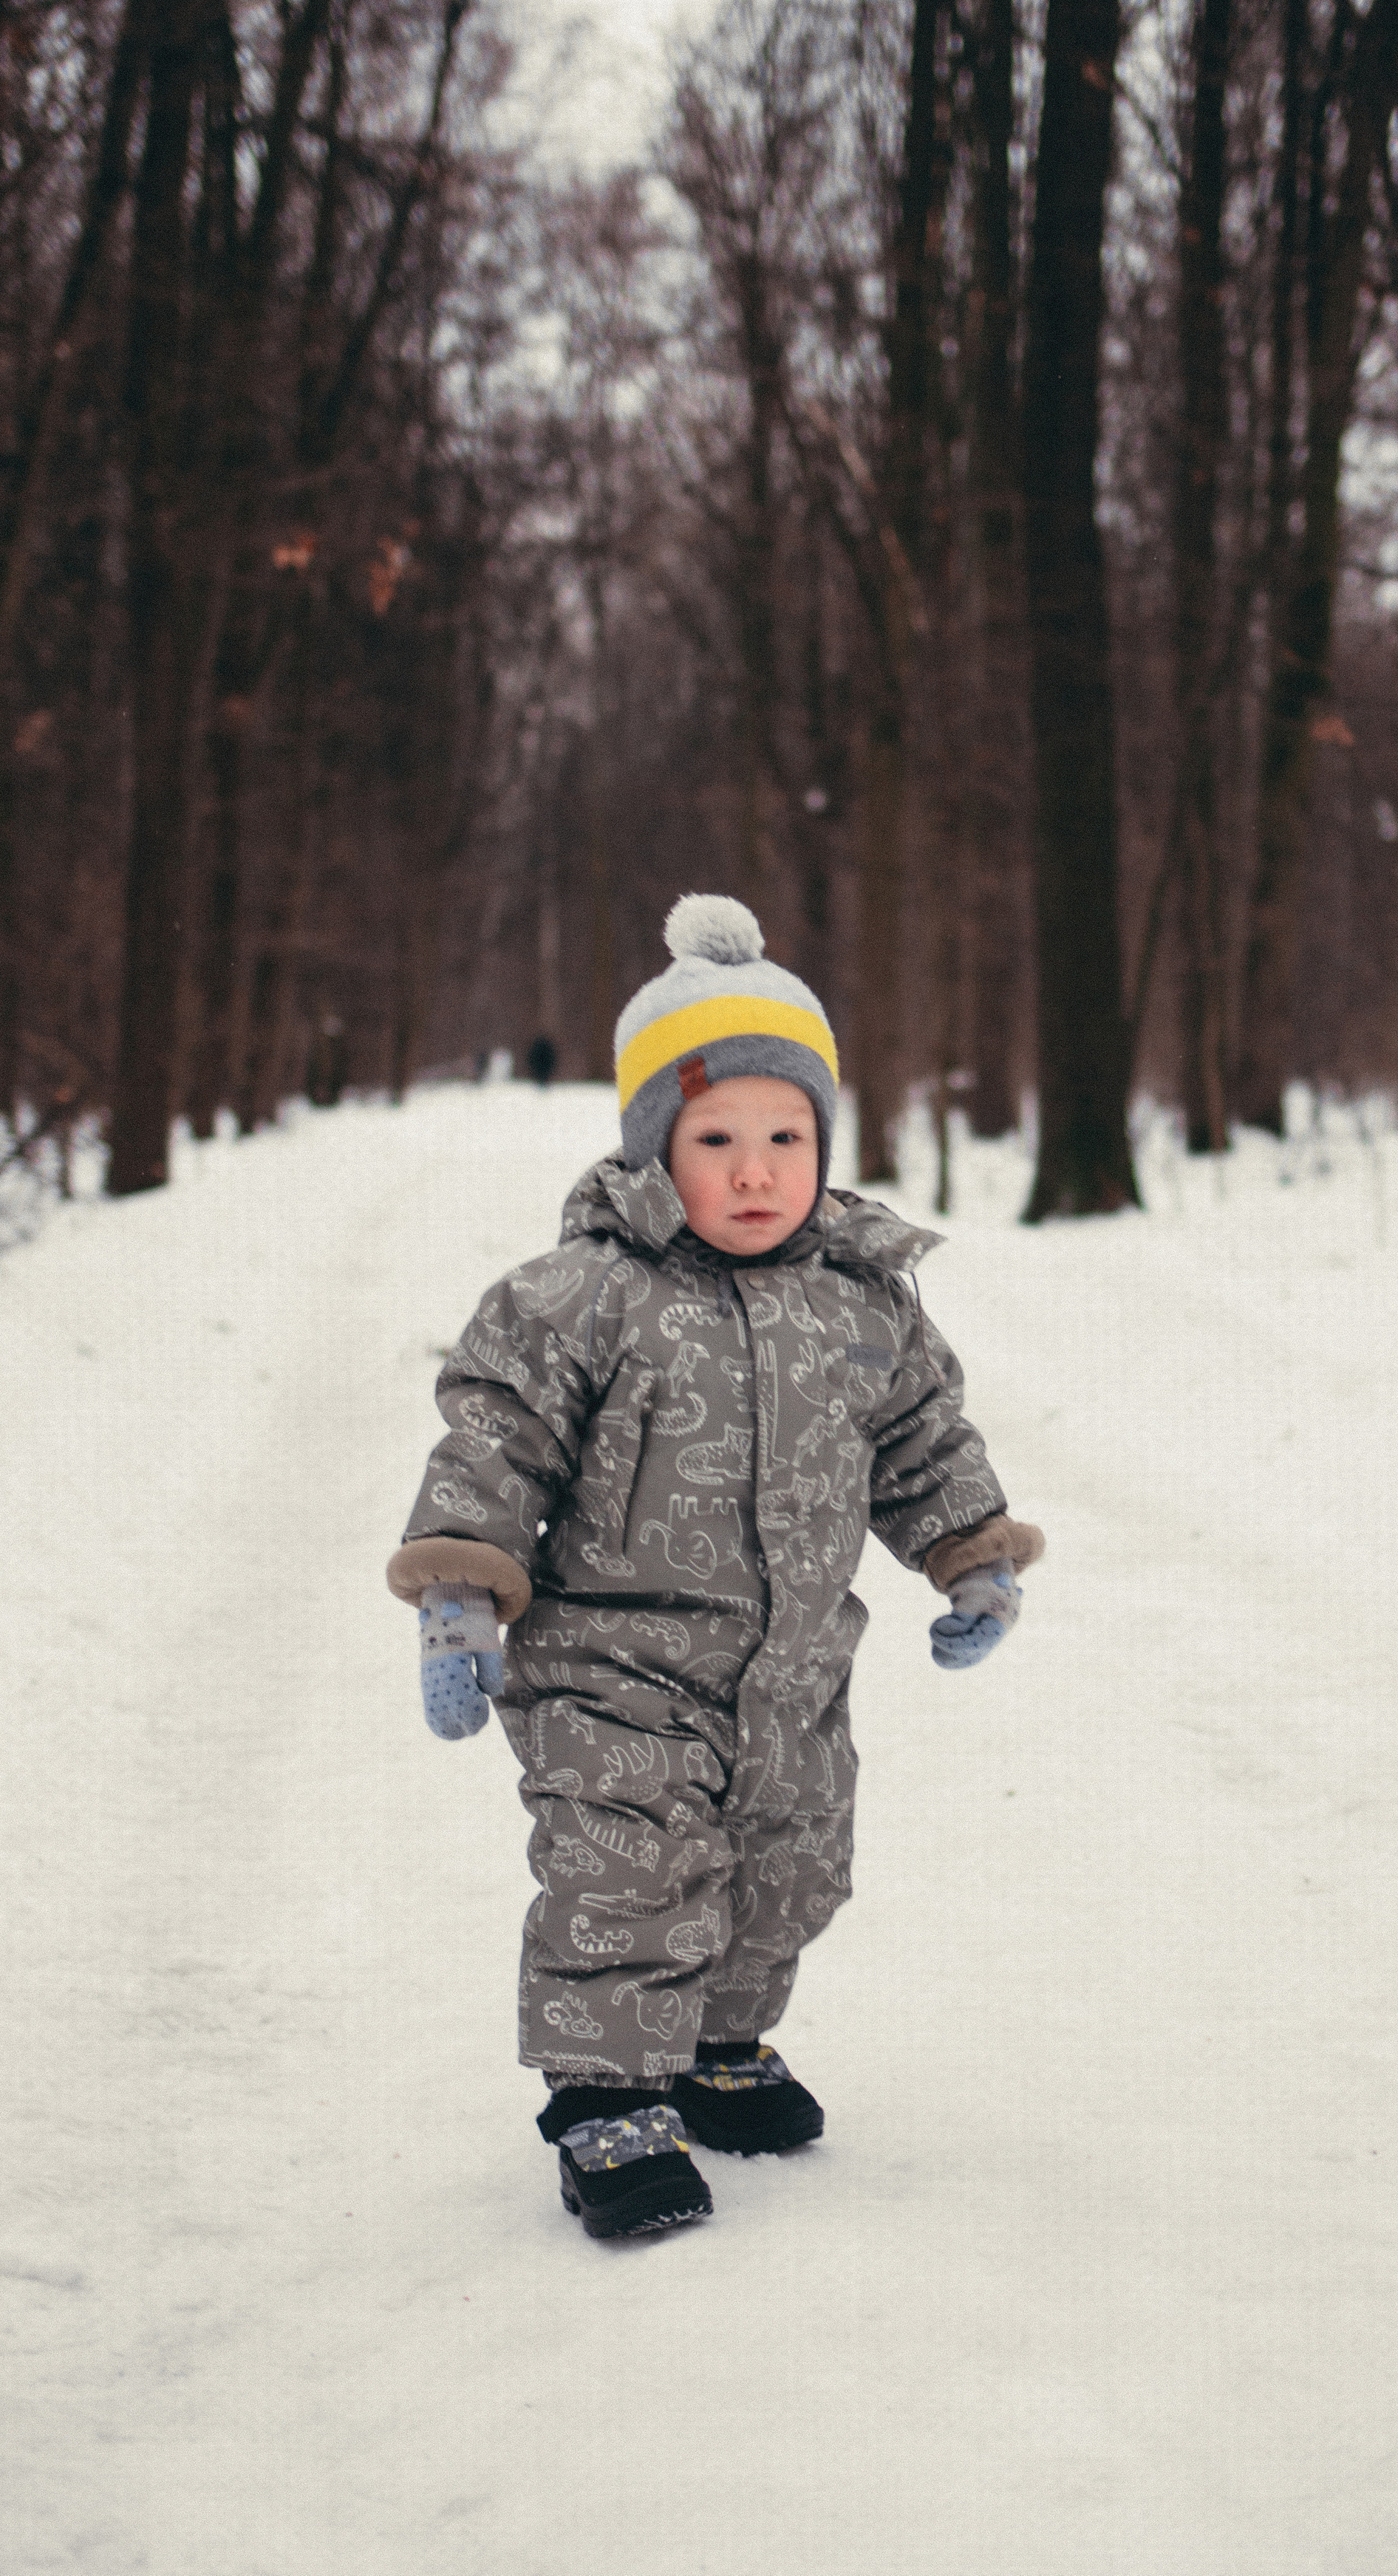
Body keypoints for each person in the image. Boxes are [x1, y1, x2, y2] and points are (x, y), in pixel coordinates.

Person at [388, 895, 1043, 2241]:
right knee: (627, 1874)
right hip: (612, 1665)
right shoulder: (578, 1297)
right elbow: (493, 1441)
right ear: (652, 1149)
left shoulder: (862, 1302)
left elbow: (924, 1439)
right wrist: (460, 1594)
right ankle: (605, 2100)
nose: (756, 1171)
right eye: (718, 1140)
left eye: (786, 1137)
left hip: (792, 1668)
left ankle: (715, 2047)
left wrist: (972, 1557)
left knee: (788, 1868)